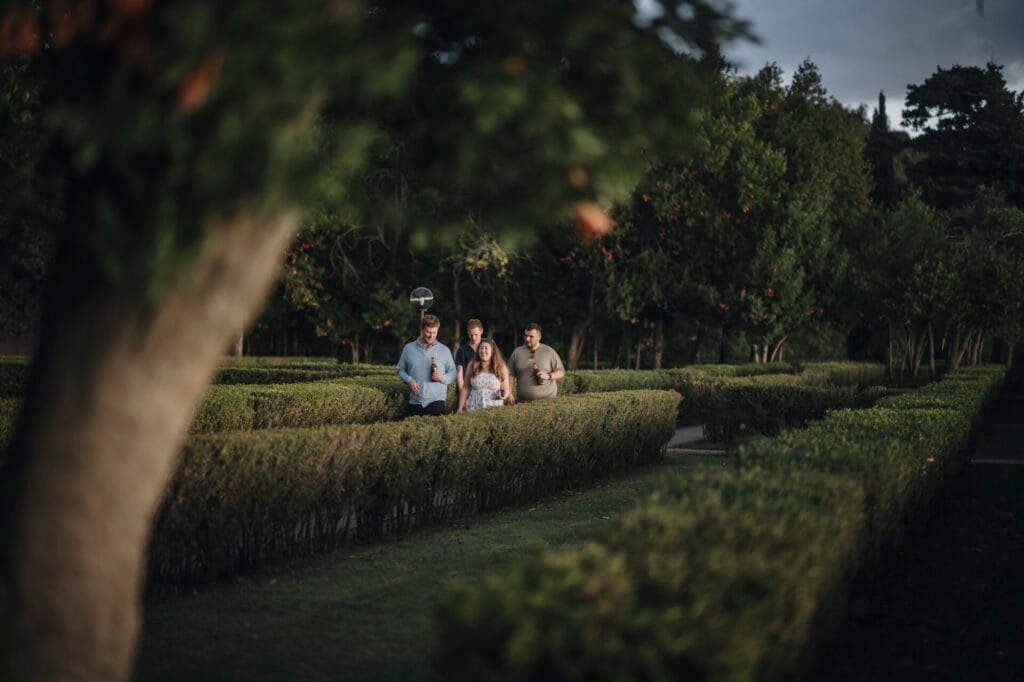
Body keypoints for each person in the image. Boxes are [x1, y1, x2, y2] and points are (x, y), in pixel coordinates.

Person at [395, 314, 456, 416]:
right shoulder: (408, 348)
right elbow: (400, 369)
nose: (431, 336)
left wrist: (443, 377)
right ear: (422, 329)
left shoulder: (444, 350)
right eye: (428, 332)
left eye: (434, 332)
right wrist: (409, 380)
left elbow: (453, 372)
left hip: (437, 402)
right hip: (415, 402)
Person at [507, 322, 566, 402]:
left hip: (547, 402)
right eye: (525, 336)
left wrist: (548, 376)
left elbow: (561, 372)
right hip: (522, 403)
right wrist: (509, 393)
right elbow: (510, 374)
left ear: (539, 337)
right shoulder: (517, 352)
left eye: (531, 336)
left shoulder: (549, 351)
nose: (527, 339)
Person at [458, 338, 515, 412]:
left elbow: (506, 389)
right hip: (473, 407)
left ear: (492, 351)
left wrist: (503, 395)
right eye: (481, 348)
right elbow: (465, 388)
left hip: (494, 408)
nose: (483, 351)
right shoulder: (471, 365)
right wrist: (460, 408)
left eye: (486, 348)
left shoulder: (501, 367)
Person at [455, 318, 484, 393]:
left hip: (485, 389)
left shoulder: (489, 348)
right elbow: (459, 373)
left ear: (481, 331)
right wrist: (462, 393)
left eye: (476, 335)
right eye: (471, 335)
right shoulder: (462, 350)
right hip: (467, 389)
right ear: (468, 333)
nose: (473, 338)